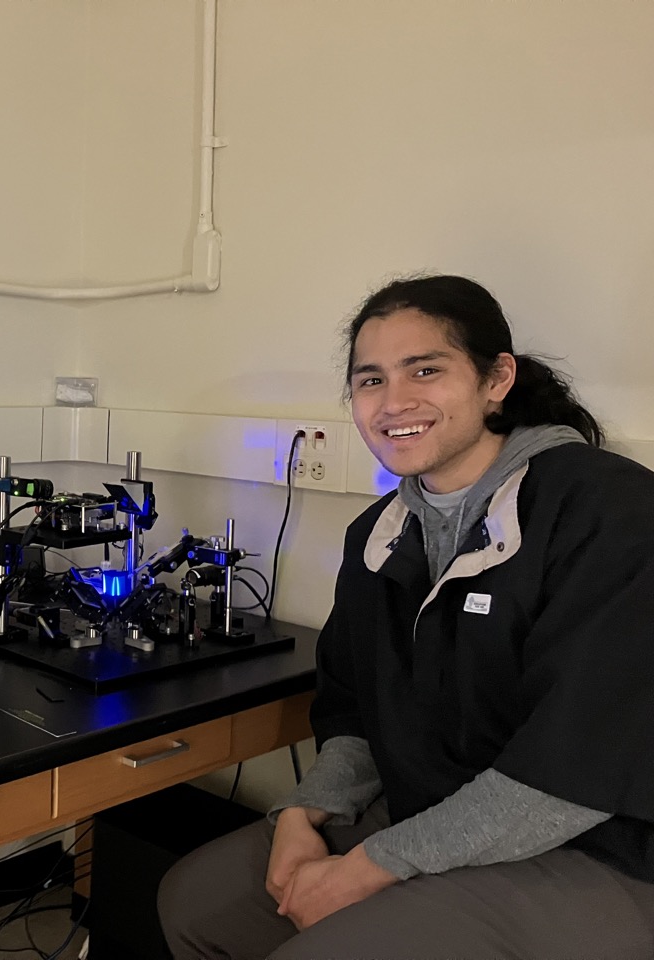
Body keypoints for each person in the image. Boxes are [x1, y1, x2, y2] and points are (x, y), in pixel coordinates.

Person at [158, 275, 654, 959]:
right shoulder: (381, 536)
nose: (395, 403)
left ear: (496, 378)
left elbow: (574, 771)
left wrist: (369, 867)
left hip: (599, 846)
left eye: (426, 370)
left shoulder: (609, 514)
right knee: (196, 903)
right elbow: (360, 710)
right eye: (370, 381)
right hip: (432, 809)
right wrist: (305, 812)